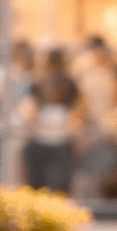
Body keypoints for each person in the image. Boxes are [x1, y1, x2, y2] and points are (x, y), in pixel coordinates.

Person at [20, 47, 80, 194]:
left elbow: (29, 113)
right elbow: (78, 113)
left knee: (38, 186)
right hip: (59, 140)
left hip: (48, 139)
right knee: (60, 187)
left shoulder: (39, 83)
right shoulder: (69, 84)